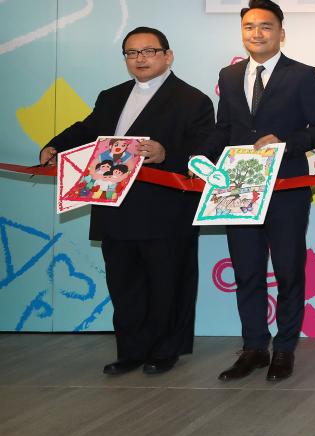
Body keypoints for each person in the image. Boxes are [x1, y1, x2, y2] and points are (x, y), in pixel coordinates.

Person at [41, 26, 213, 375]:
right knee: (124, 284)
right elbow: (87, 129)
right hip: (113, 205)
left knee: (167, 283)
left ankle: (165, 350)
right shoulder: (111, 96)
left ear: (168, 56)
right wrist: (55, 145)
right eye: (132, 53)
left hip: (165, 211)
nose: (140, 59)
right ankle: (131, 351)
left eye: (149, 51)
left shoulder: (193, 100)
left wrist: (167, 154)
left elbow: (205, 151)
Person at [201, 0, 315, 382]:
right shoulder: (229, 76)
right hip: (239, 188)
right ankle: (254, 348)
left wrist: (285, 143)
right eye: (249, 27)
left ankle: (285, 348)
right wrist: (201, 157)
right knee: (247, 270)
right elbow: (225, 128)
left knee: (289, 270)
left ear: (281, 33)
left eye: (265, 26)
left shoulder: (303, 74)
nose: (256, 33)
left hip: (286, 187)